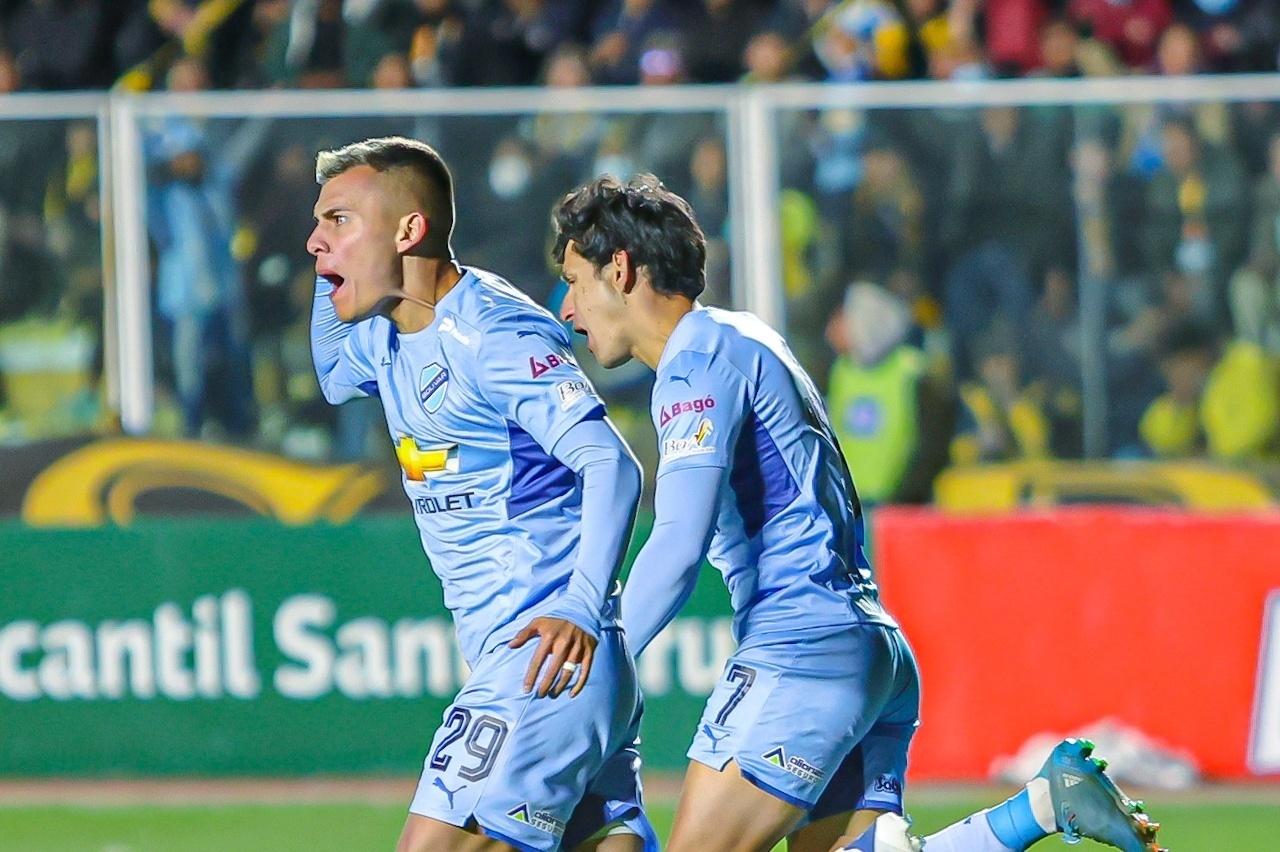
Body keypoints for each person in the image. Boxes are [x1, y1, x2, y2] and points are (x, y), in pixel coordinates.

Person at [552, 173, 1163, 852]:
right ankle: (1043, 806)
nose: (568, 311)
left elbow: (677, 540)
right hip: (866, 647)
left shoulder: (694, 362)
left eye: (575, 282)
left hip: (800, 649)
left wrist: (600, 666)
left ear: (620, 269)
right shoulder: (746, 339)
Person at [307, 137, 655, 852]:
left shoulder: (492, 332)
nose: (314, 240)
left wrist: (582, 608)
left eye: (338, 220)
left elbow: (611, 465)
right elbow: (332, 371)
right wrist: (334, 260)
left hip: (541, 660)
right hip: (553, 670)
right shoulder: (385, 336)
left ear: (409, 231)